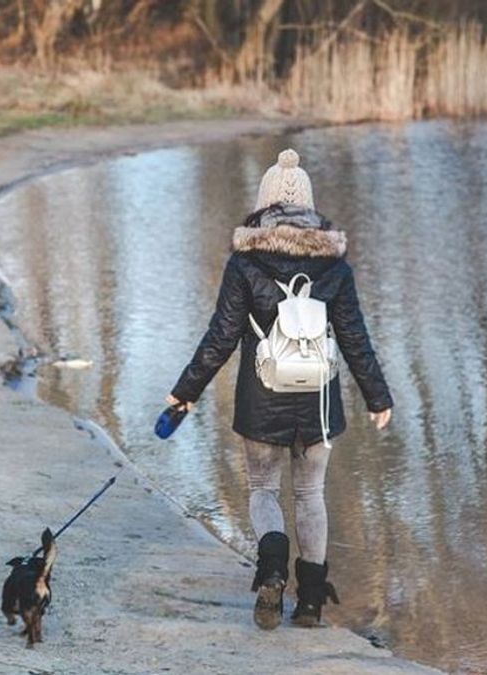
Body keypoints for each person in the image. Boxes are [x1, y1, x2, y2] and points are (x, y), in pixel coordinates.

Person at [166, 149, 393, 630]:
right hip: (319, 402)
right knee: (311, 494)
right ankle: (310, 603)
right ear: (309, 208)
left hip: (261, 398)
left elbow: (221, 337)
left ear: (263, 204)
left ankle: (271, 569)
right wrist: (378, 397)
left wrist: (186, 392)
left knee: (264, 488)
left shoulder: (245, 264)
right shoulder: (335, 267)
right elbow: (354, 338)